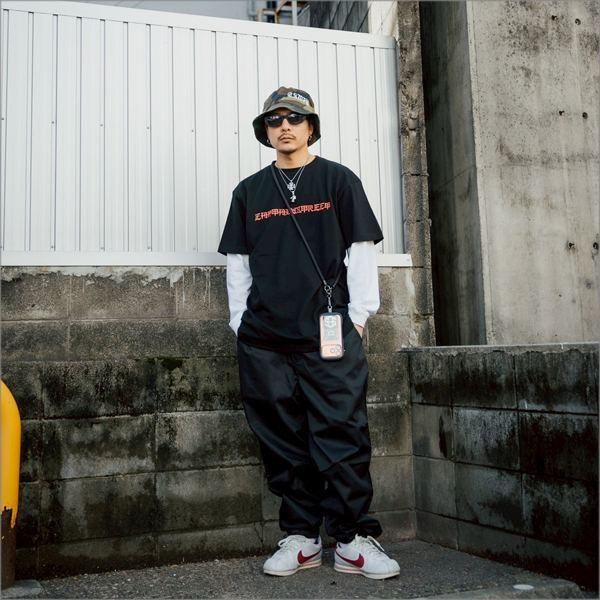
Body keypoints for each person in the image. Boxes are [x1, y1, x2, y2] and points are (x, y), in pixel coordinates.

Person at [217, 87, 400, 580]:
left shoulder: (338, 180)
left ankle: (351, 540)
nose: (285, 126)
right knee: (281, 441)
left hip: (330, 335)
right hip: (264, 341)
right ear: (266, 130)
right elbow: (239, 264)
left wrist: (358, 317)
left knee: (343, 434)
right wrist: (240, 323)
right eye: (275, 119)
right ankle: (301, 538)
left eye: (295, 118)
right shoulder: (249, 191)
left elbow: (361, 249)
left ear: (310, 127)